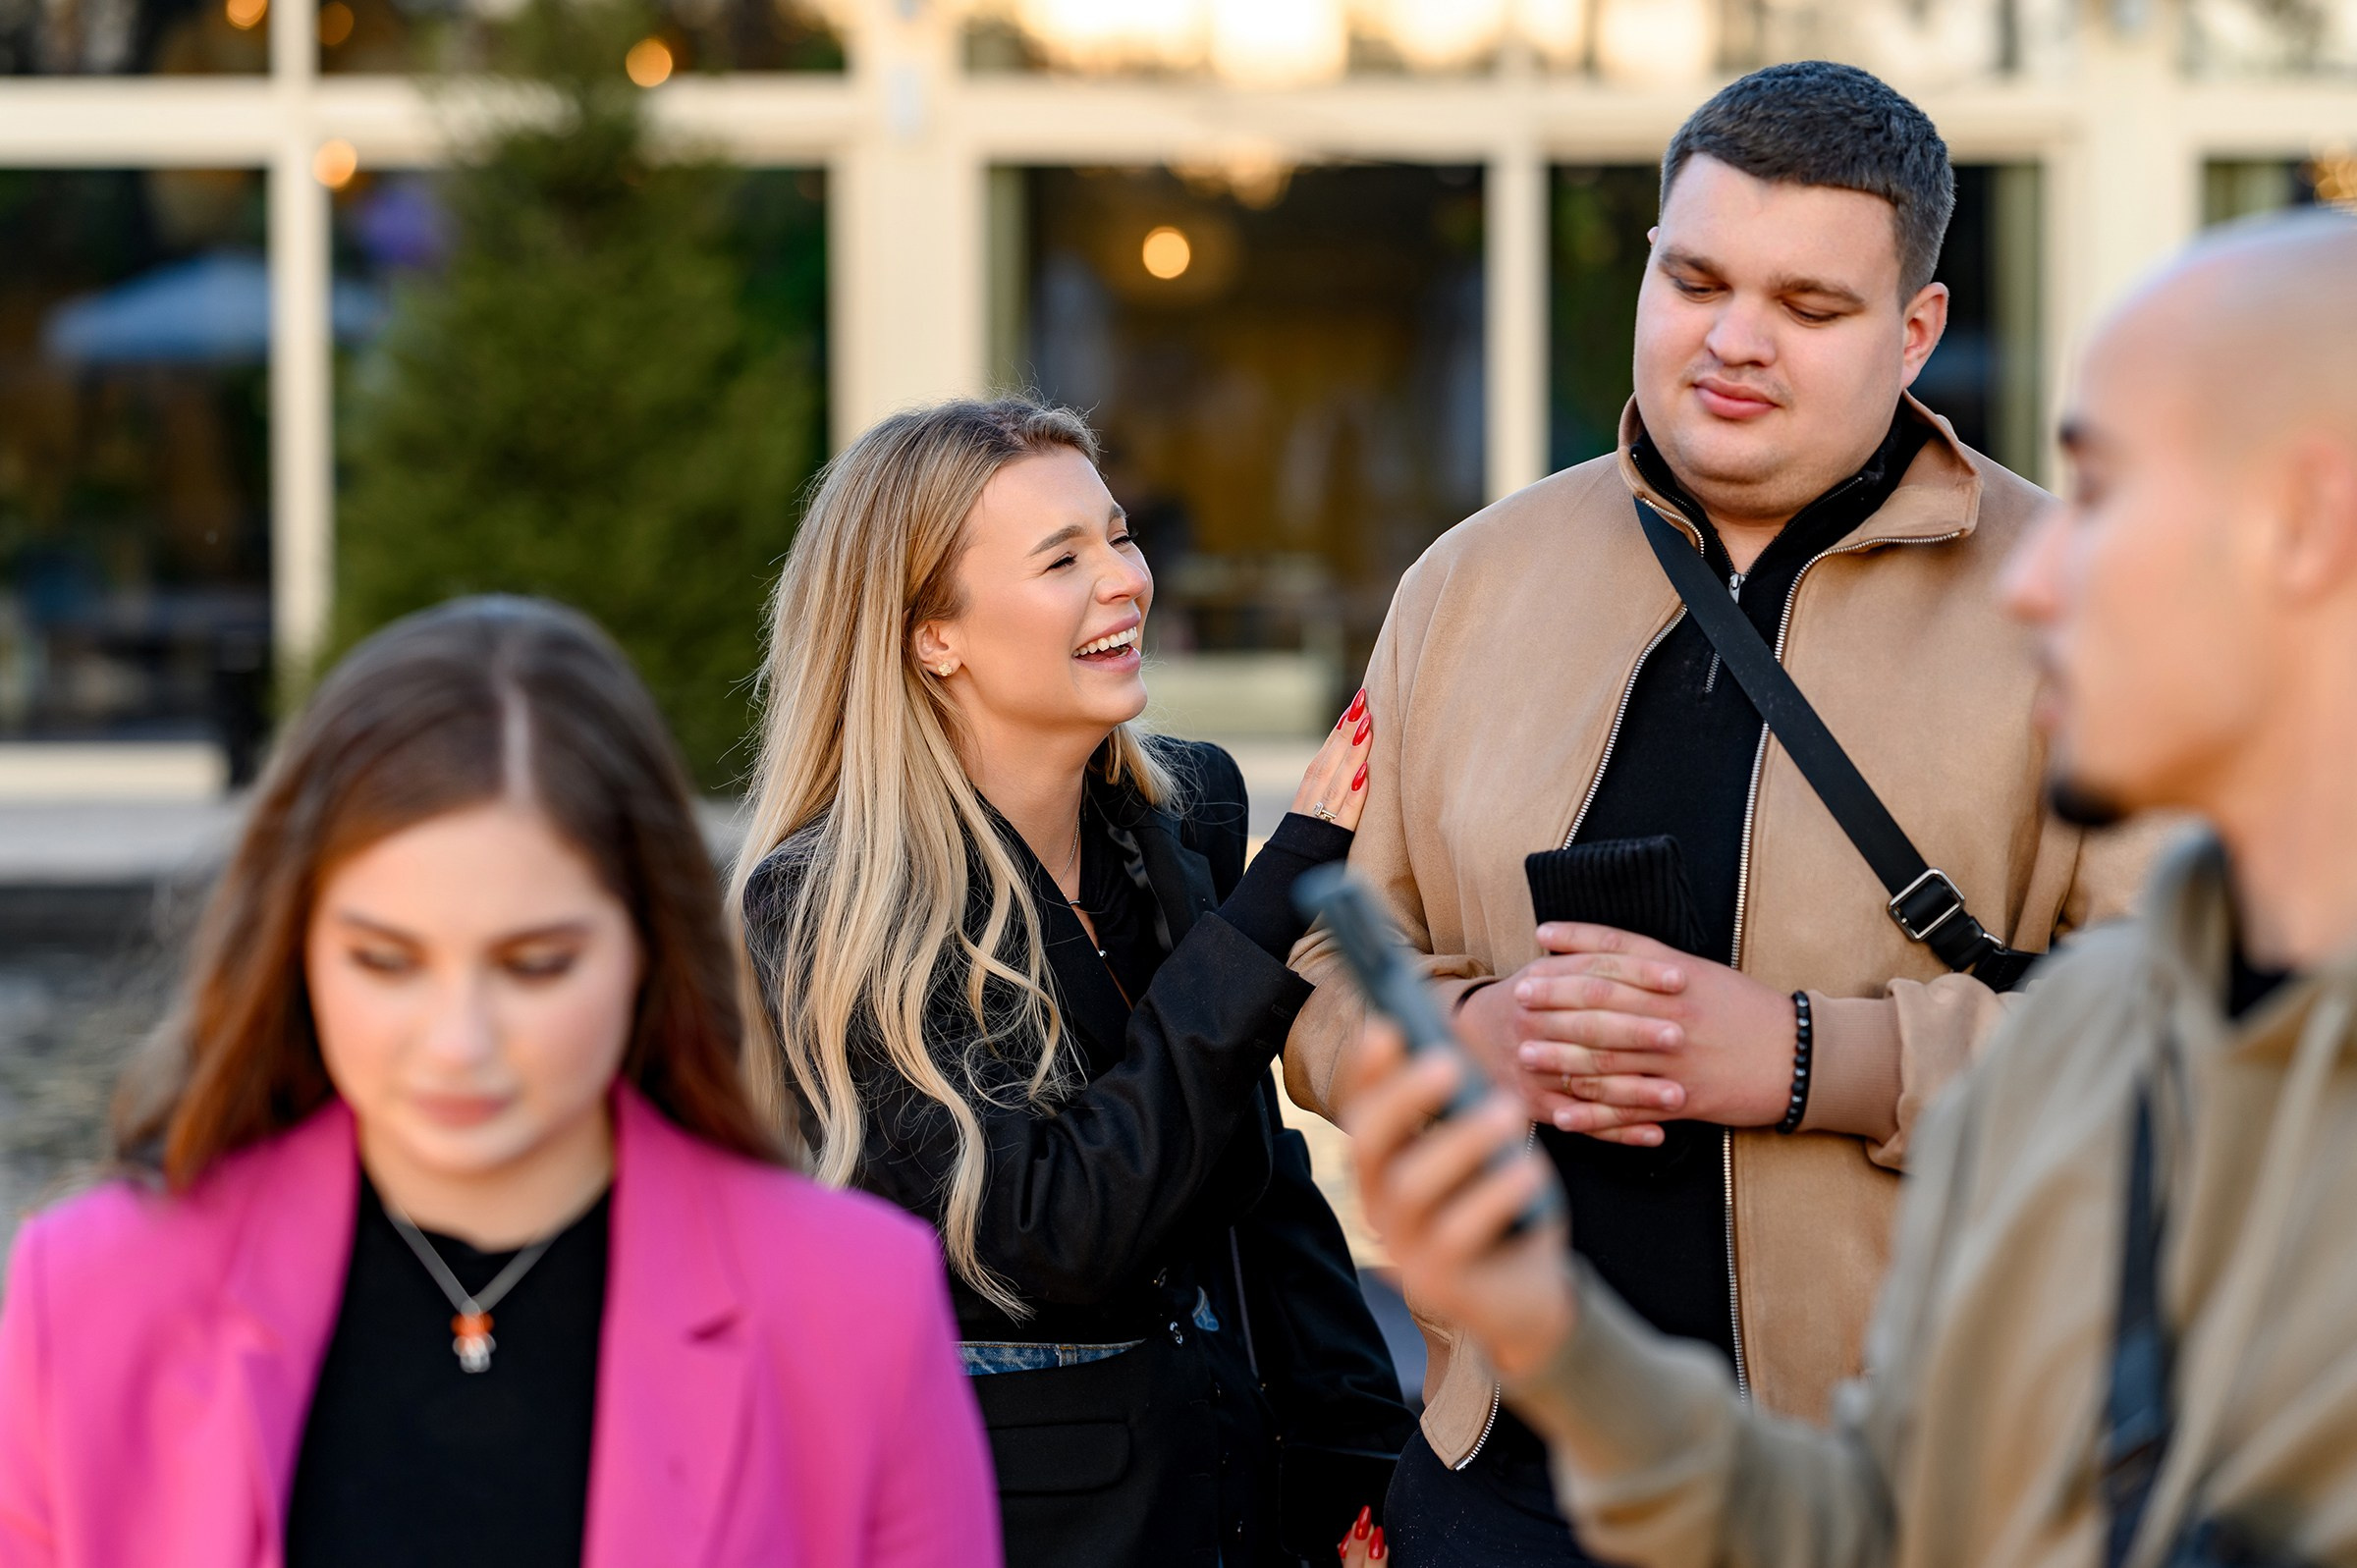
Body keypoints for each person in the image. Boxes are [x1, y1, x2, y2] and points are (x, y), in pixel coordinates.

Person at [1341, 208, 2357, 1567]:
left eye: (2103, 497)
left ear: (2310, 523)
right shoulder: (2121, 1022)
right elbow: (1878, 1525)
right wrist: (1543, 1334)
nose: (2036, 572)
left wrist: (1810, 1055)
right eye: (1694, 277)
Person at [1282, 60, 2157, 1562]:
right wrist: (1459, 1041)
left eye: (1810, 309)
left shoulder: (2086, 607)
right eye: (1695, 279)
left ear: (1917, 331)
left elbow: (2204, 1044)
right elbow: (1308, 977)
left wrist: (1818, 1058)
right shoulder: (1467, 583)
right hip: (1500, 1485)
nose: (1734, 342)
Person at [0, 597, 995, 1568]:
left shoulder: (856, 1306)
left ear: (648, 945)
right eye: (386, 962)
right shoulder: (88, 1294)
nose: (457, 1043)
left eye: (534, 965)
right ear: (294, 946)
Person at [736, 397, 1413, 1568]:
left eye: (1120, 535)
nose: (1125, 581)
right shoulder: (824, 906)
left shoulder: (1185, 812)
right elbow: (1053, 1230)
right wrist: (1283, 886)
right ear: (929, 633)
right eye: (1063, 558)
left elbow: (1256, 1184)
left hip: (1239, 1505)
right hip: (1023, 1529)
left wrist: (1367, 1461)